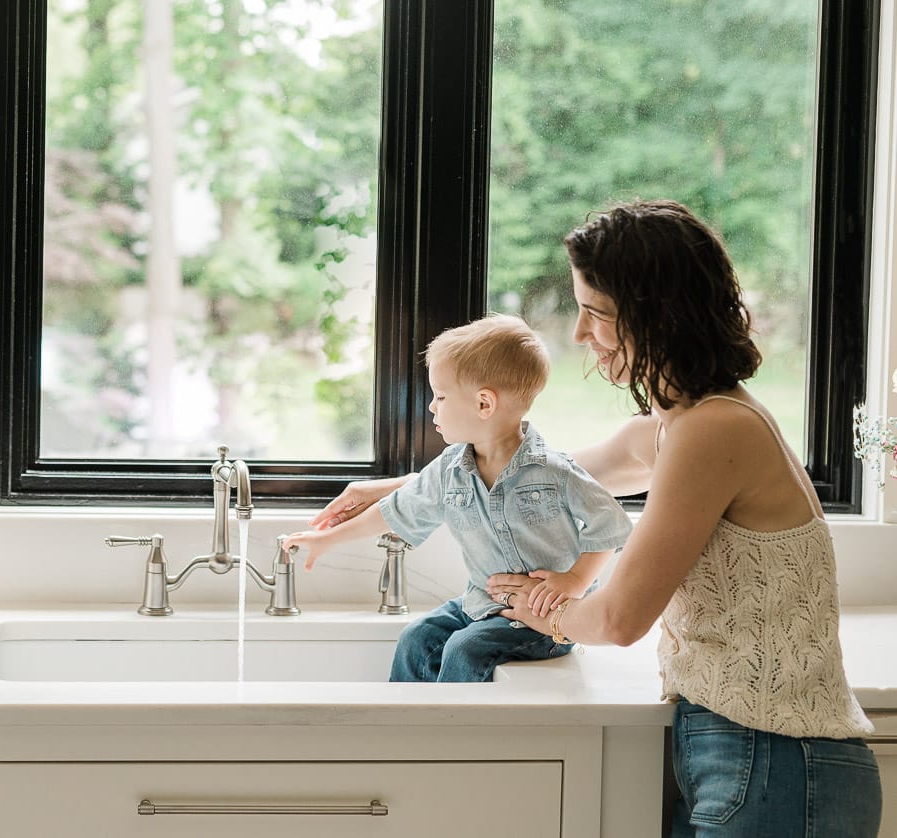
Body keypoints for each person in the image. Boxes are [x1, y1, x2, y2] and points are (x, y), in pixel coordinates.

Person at [315, 200, 882, 836]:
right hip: (740, 752)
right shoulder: (670, 430)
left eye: (597, 313)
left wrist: (528, 606)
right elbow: (533, 477)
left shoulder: (714, 430)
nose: (582, 335)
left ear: (657, 315)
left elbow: (616, 620)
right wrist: (385, 491)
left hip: (778, 763)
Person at [286, 314, 633, 683]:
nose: (432, 407)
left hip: (543, 619)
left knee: (465, 649)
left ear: (484, 404)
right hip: (483, 603)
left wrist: (574, 581)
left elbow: (612, 526)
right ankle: (407, 720)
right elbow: (394, 511)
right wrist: (327, 539)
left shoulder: (555, 472)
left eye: (440, 396)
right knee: (416, 638)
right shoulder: (449, 469)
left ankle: (450, 722)